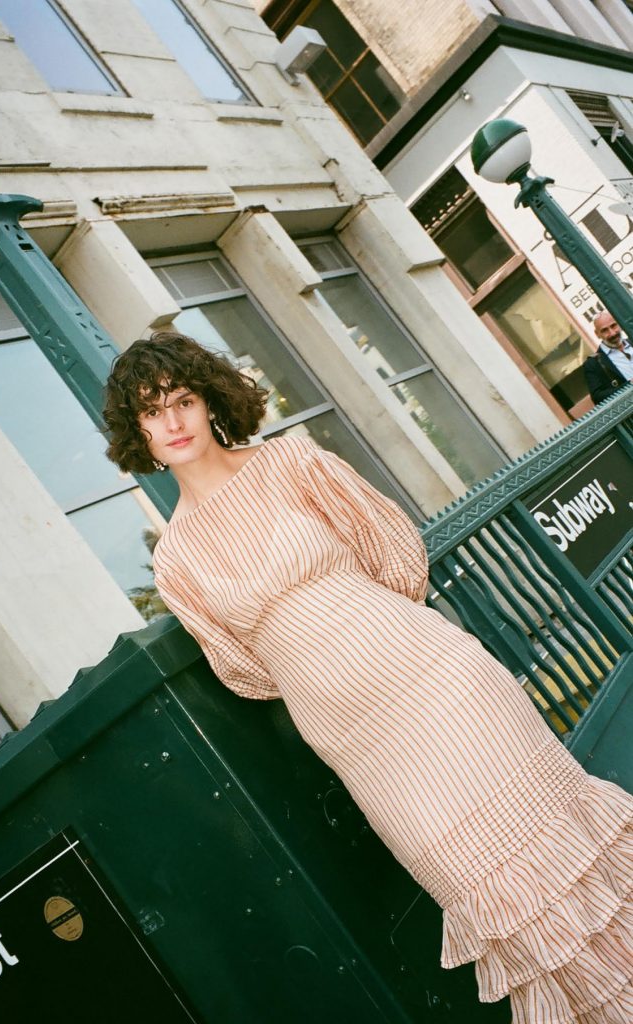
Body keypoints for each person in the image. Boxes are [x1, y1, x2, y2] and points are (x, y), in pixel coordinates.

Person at [104, 332, 633, 1024]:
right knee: (486, 891)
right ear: (134, 430)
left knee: (565, 846)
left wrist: (359, 635)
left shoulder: (290, 461)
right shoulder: (173, 558)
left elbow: (392, 554)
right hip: (363, 747)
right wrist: (325, 669)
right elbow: (243, 670)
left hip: (439, 683)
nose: (172, 423)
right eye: (151, 412)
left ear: (209, 400)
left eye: (182, 400)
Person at [584, 311, 633, 404]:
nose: (612, 333)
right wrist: (629, 385)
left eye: (613, 326)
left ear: (618, 324)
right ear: (597, 334)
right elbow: (597, 397)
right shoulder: (593, 364)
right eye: (604, 330)